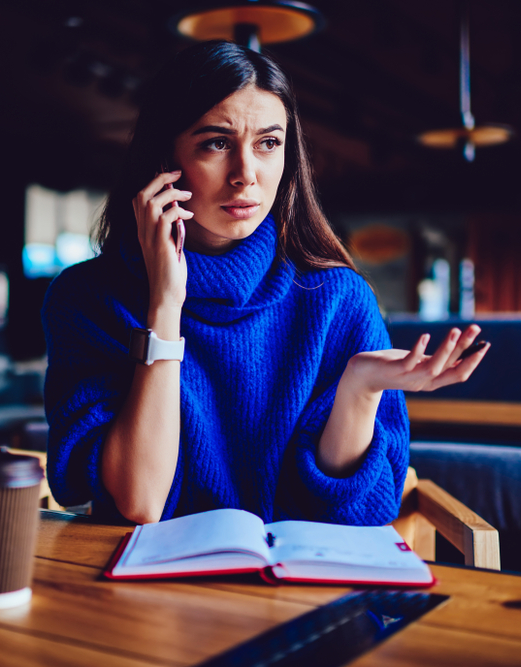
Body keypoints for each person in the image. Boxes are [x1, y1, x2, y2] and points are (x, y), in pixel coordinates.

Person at [41, 41, 488, 525]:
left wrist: (358, 388)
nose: (246, 175)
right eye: (216, 143)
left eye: (268, 143)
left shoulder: (337, 299)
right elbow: (140, 502)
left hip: (300, 591)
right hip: (148, 592)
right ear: (162, 159)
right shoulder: (86, 299)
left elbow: (356, 516)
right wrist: (165, 305)